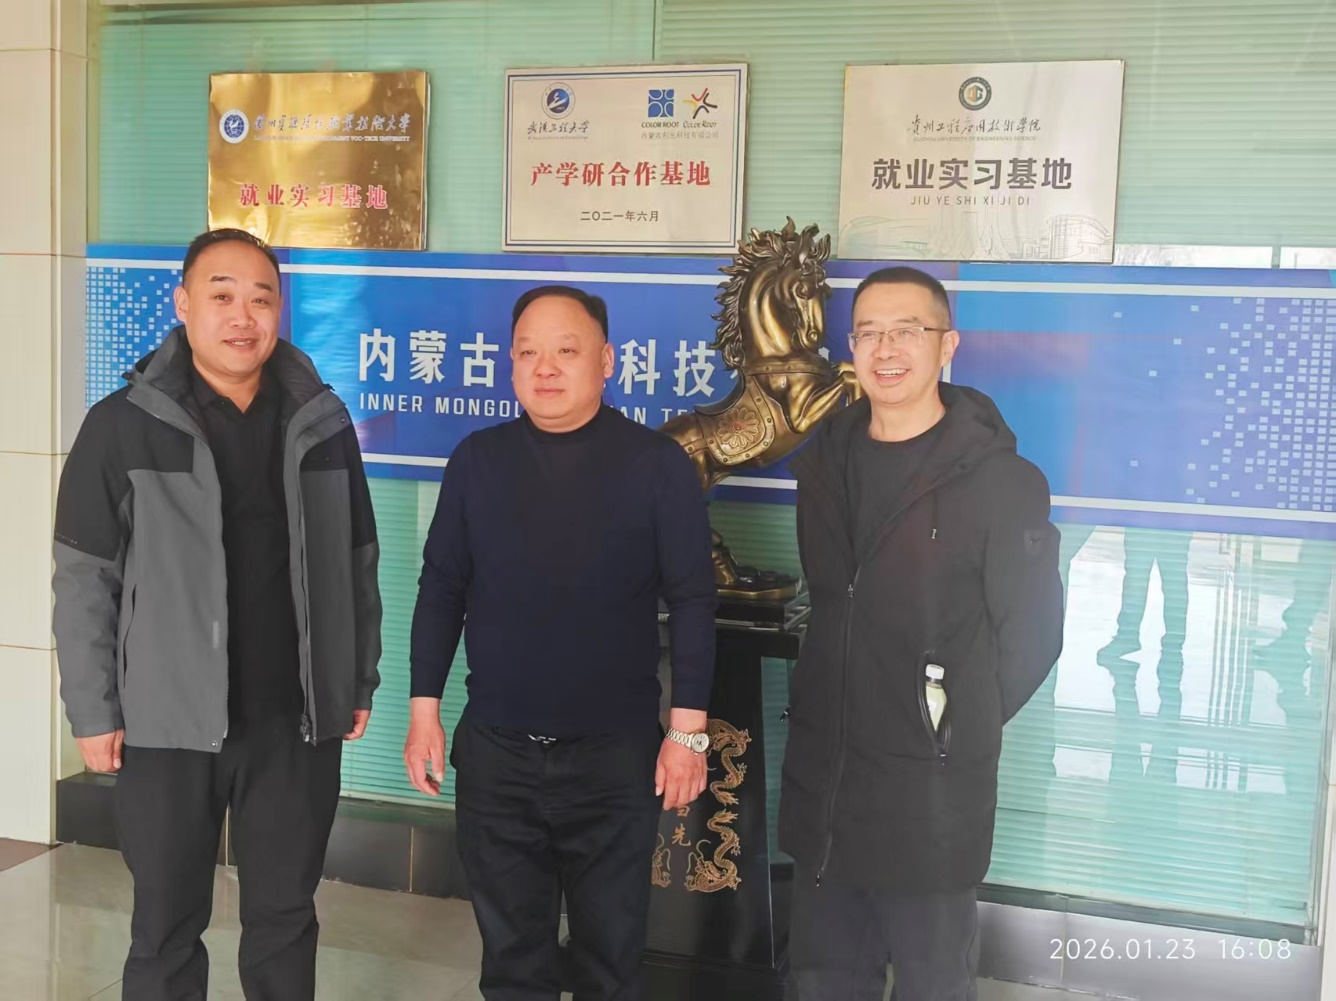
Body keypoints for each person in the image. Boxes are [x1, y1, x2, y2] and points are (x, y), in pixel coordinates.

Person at [52, 228, 382, 1001]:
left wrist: (355, 678)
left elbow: (357, 558)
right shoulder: (121, 423)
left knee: (286, 919)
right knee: (165, 924)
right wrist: (93, 711)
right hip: (166, 722)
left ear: (279, 311)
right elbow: (85, 577)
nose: (243, 316)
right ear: (183, 303)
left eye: (261, 299)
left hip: (293, 720)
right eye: (222, 294)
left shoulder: (322, 421)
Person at [405, 285, 717, 1001]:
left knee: (611, 960)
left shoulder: (657, 465)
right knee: (513, 963)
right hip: (498, 755)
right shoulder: (477, 461)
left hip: (614, 758)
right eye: (527, 352)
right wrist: (425, 711)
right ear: (510, 363)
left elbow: (693, 599)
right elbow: (441, 588)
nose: (545, 367)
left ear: (606, 361)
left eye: (566, 351)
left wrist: (688, 732)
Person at [779, 266, 1064, 1001]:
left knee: (933, 982)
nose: (886, 349)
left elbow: (1033, 637)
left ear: (947, 346)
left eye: (907, 330)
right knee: (823, 978)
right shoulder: (825, 464)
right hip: (827, 785)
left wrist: (946, 719)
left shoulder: (1003, 483)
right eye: (869, 333)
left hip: (929, 795)